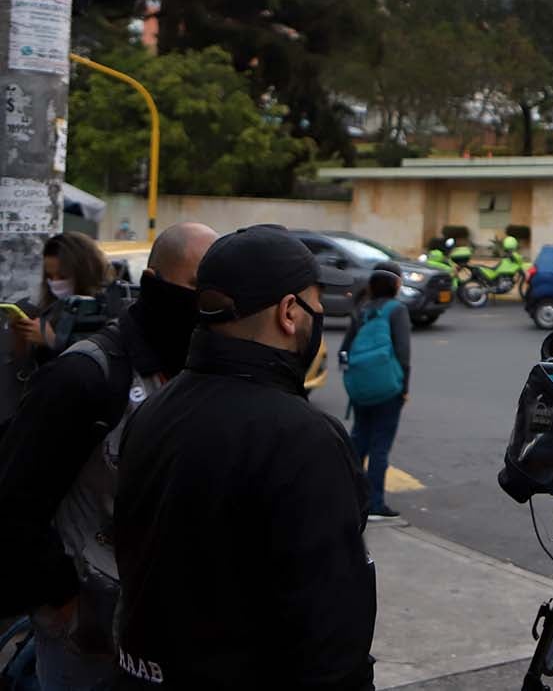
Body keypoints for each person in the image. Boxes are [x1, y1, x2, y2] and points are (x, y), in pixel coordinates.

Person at [112, 225, 373, 690]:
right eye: (314, 304)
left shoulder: (152, 411)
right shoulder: (305, 439)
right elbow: (332, 634)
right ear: (289, 313)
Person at [0, 222, 217, 690]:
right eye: (198, 286)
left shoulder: (191, 372)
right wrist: (62, 601)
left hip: (159, 626)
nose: (210, 303)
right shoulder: (85, 375)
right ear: (157, 282)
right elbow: (16, 500)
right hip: (85, 634)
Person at [340, 260, 411, 521]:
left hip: (361, 388)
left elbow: (345, 350)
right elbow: (403, 353)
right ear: (395, 283)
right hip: (387, 388)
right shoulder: (397, 310)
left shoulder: (362, 309)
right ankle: (376, 502)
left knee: (359, 439)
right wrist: (404, 388)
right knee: (380, 445)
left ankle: (349, 495)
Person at [9, 233, 110, 374]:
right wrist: (23, 339)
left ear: (83, 272)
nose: (55, 283)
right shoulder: (51, 308)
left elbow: (102, 360)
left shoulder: (107, 307)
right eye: (50, 277)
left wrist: (54, 342)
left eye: (63, 276)